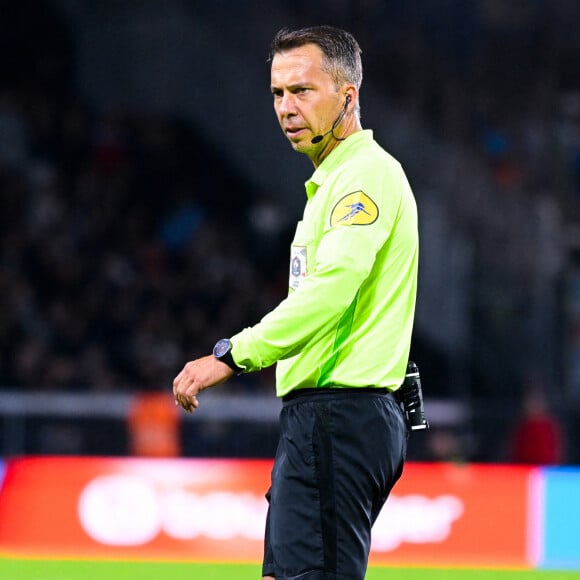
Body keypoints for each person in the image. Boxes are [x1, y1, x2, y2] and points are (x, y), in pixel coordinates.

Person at [173, 25, 419, 579]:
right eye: (277, 93)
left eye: (302, 90)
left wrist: (233, 353)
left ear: (347, 96)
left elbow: (332, 290)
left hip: (340, 416)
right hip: (322, 419)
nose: (286, 106)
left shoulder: (364, 176)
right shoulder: (331, 184)